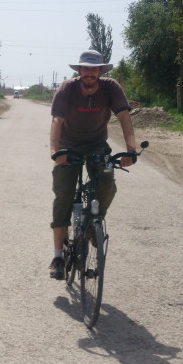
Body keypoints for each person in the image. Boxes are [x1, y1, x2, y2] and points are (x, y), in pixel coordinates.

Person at [48, 50, 138, 280]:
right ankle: (58, 257)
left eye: (94, 68)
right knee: (63, 196)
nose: (89, 72)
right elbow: (57, 120)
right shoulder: (67, 88)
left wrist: (130, 149)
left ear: (100, 70)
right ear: (79, 70)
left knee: (107, 183)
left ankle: (91, 225)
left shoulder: (110, 87)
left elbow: (124, 116)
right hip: (68, 145)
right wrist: (55, 152)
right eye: (85, 68)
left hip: (97, 144)